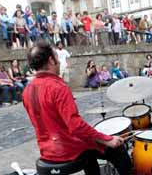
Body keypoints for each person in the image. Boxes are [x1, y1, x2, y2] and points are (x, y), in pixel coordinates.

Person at [22, 42, 131, 174]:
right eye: (57, 57)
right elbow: (76, 126)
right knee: (117, 150)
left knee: (90, 152)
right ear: (51, 60)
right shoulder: (57, 87)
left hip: (46, 150)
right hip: (66, 149)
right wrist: (107, 139)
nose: (60, 62)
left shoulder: (27, 90)